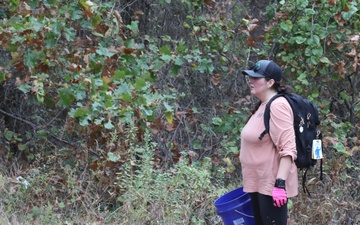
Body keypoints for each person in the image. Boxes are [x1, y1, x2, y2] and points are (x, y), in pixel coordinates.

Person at [239, 60, 298, 225]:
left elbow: (288, 149)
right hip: (257, 184)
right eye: (250, 77)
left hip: (271, 187)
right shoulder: (263, 106)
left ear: (270, 82)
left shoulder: (278, 106)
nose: (250, 81)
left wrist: (279, 185)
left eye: (256, 78)